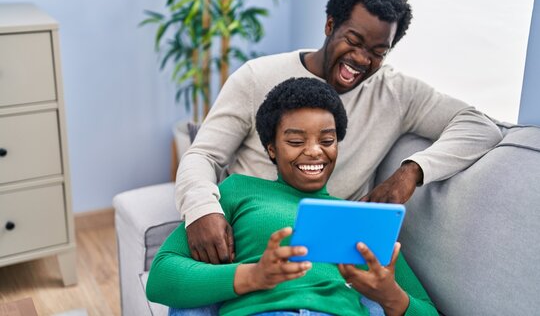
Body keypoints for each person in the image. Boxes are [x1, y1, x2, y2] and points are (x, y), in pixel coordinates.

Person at [176, 0, 503, 264]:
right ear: (330, 26)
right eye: (354, 40)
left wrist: (411, 172)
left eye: (378, 51)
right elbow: (204, 155)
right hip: (250, 234)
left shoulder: (395, 92)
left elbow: (480, 127)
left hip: (331, 249)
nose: (362, 59)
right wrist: (202, 208)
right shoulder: (256, 78)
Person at [147, 78, 439, 316]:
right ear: (271, 148)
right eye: (296, 141)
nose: (314, 151)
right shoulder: (239, 190)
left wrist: (392, 298)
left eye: (327, 140)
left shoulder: (358, 216)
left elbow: (429, 311)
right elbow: (162, 275)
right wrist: (253, 276)